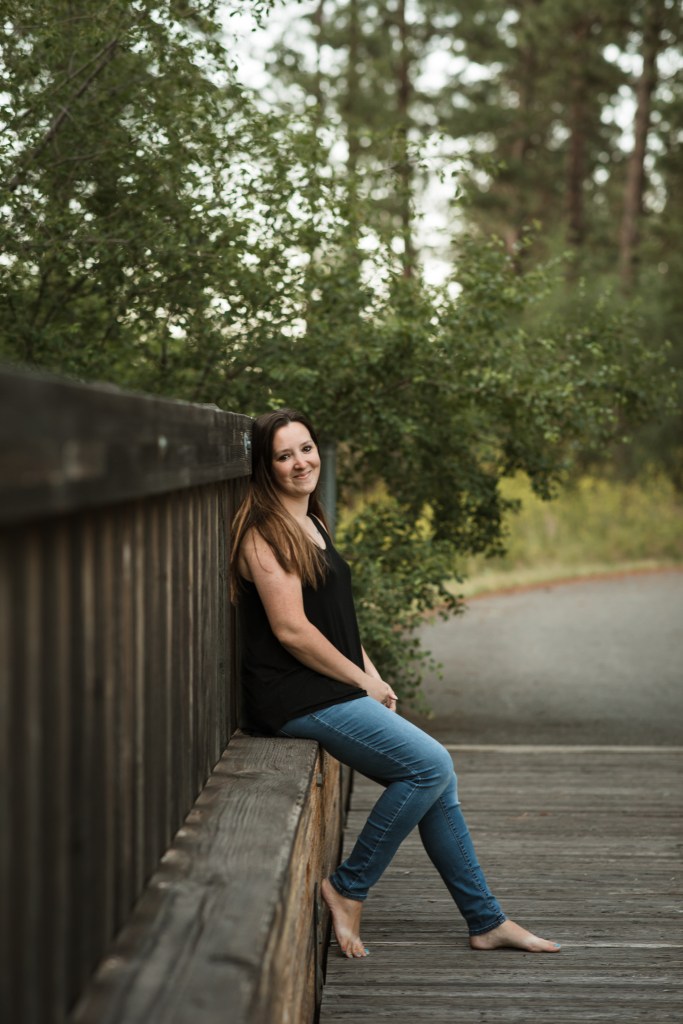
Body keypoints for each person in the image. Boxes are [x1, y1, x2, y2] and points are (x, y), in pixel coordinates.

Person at [230, 408, 560, 959]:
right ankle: (348, 886)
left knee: (437, 779)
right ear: (266, 468)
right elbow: (292, 631)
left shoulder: (311, 523)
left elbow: (335, 620)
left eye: (306, 448)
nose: (300, 463)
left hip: (325, 685)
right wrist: (360, 680)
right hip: (292, 695)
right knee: (430, 766)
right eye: (284, 456)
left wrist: (375, 676)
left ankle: (486, 920)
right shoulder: (265, 535)